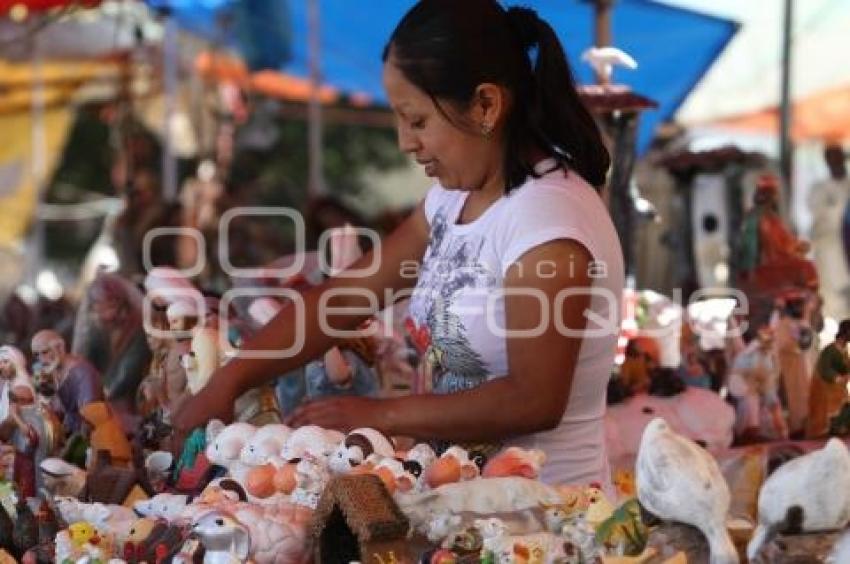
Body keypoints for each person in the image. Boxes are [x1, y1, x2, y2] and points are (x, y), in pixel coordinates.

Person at [174, 0, 622, 488]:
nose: (406, 143)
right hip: (461, 506)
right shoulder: (451, 203)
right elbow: (344, 297)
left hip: (544, 521)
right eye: (400, 120)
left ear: (487, 105)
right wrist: (229, 380)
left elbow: (533, 398)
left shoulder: (546, 215)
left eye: (418, 121)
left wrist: (379, 415)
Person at [30, 330, 104, 436]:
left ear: (60, 347)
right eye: (37, 355)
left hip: (87, 433)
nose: (41, 359)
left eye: (45, 352)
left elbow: (90, 413)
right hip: (67, 429)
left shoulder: (82, 372)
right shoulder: (52, 371)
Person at [809, 144, 850, 320]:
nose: (837, 162)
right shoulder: (819, 189)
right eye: (832, 158)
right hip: (831, 253)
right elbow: (820, 217)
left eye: (839, 157)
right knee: (835, 300)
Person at [806, 319, 850, 439]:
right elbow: (824, 368)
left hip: (838, 388)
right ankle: (827, 431)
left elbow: (845, 367)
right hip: (825, 387)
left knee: (845, 406)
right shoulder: (830, 350)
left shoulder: (844, 350)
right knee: (831, 409)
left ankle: (840, 428)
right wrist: (837, 378)